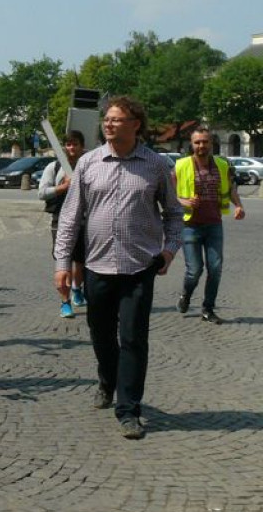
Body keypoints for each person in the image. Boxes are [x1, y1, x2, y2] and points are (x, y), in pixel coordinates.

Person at [54, 96, 183, 440]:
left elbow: (173, 214)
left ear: (135, 124)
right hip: (96, 265)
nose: (108, 124)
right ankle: (107, 381)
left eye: (116, 119)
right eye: (106, 119)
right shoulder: (88, 163)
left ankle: (129, 409)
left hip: (139, 267)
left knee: (133, 339)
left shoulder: (155, 165)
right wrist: (61, 264)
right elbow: (70, 217)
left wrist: (169, 252)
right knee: (100, 334)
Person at [174, 127, 246, 324]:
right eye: (197, 142)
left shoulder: (222, 165)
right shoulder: (181, 165)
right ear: (192, 144)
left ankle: (208, 308)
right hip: (190, 225)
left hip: (214, 224)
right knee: (194, 270)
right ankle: (186, 295)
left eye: (205, 142)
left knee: (215, 268)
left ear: (211, 144)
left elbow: (230, 189)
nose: (201, 146)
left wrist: (239, 205)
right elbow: (168, 194)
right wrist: (183, 201)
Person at [38, 130, 87, 319]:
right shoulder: (54, 167)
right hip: (60, 220)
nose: (72, 148)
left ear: (82, 146)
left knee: (80, 262)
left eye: (75, 144)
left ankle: (77, 289)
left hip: (84, 219)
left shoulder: (88, 166)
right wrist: (63, 187)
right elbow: (42, 193)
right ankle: (65, 302)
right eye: (68, 144)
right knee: (63, 262)